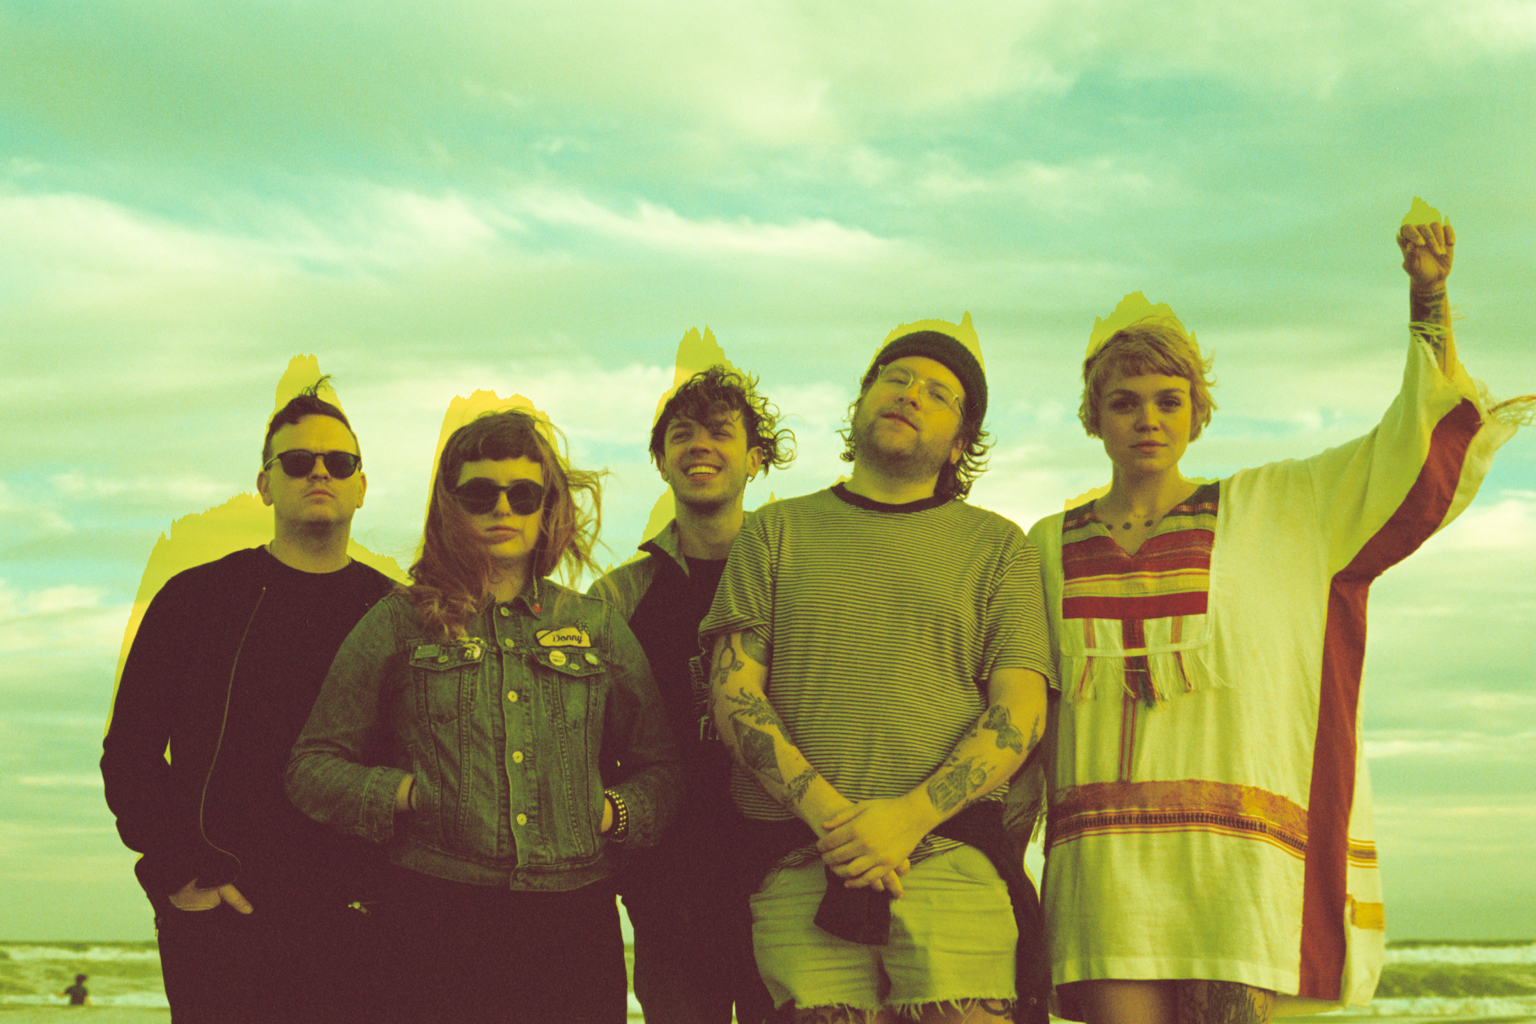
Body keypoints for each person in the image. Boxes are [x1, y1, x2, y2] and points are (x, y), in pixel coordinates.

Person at [1029, 218, 1524, 1024]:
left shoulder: (1279, 507)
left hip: (1238, 876)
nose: (1148, 418)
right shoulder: (1047, 545)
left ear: (1197, 414)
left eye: (1168, 401)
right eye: (1123, 403)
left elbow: (1404, 452)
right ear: (1094, 417)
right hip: (1105, 877)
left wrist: (1428, 299)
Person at [701, 327, 1056, 1024]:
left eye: (938, 394)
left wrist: (904, 821)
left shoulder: (998, 547)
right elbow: (733, 694)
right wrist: (839, 824)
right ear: (860, 404)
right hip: (799, 863)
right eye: (894, 379)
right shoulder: (774, 532)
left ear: (960, 443)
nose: (910, 394)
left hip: (952, 861)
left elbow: (1021, 711)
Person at [285, 407, 681, 1024]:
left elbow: (664, 769)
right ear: (451, 506)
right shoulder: (399, 621)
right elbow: (311, 766)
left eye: (523, 495)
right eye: (479, 494)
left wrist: (611, 812)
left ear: (548, 508)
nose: (503, 509)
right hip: (433, 919)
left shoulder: (594, 626)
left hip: (574, 927)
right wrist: (407, 794)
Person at [101, 381, 395, 1024]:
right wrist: (178, 875)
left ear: (361, 486)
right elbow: (130, 751)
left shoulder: (396, 613)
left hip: (361, 926)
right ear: (265, 483)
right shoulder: (197, 599)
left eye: (339, 461)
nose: (319, 472)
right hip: (222, 919)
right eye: (297, 460)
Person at [590, 365, 792, 1024]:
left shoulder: (796, 581)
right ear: (660, 460)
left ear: (756, 458)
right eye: (681, 434)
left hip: (786, 878)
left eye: (720, 431)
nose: (700, 445)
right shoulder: (617, 599)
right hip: (667, 889)